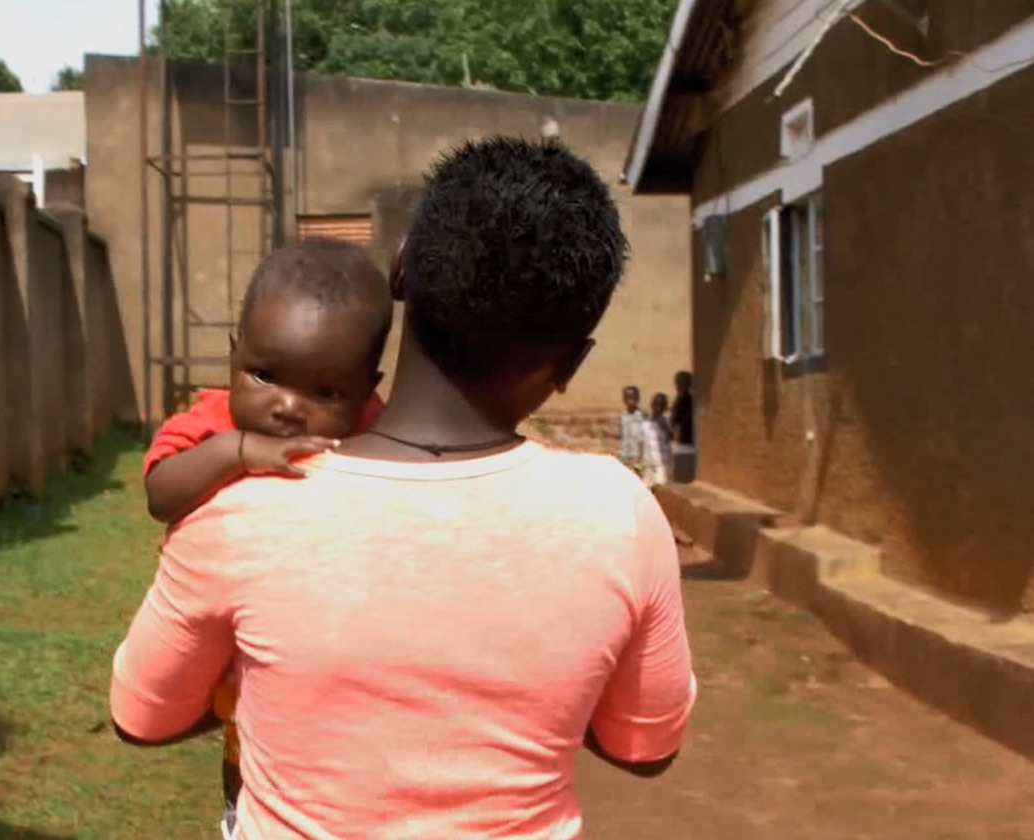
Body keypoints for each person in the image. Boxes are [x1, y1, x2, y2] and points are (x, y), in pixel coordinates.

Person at [111, 137, 696, 840]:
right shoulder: (619, 515)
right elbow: (644, 746)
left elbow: (142, 718)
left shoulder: (246, 502)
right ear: (569, 364)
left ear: (400, 268)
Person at [141, 237, 393, 838]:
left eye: (325, 392)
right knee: (246, 751)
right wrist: (236, 452)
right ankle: (241, 819)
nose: (286, 408)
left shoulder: (374, 433)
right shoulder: (214, 422)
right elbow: (160, 493)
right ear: (233, 354)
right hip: (230, 638)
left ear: (366, 391)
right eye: (264, 375)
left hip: (332, 643)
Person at [641, 393, 674, 488]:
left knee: (661, 488)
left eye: (661, 405)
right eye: (656, 405)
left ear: (665, 408)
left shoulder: (667, 423)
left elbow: (671, 437)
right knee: (648, 489)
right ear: (652, 405)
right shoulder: (645, 424)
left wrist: (665, 427)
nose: (658, 408)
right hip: (648, 464)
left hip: (662, 464)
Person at [670, 370, 696, 483]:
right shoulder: (680, 399)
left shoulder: (692, 400)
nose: (679, 386)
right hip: (682, 440)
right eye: (678, 383)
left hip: (690, 440)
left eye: (682, 383)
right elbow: (674, 420)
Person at [618, 385, 645, 472]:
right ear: (624, 400)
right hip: (625, 455)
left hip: (638, 456)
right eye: (627, 398)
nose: (630, 401)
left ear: (638, 399)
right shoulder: (623, 417)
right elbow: (621, 435)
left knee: (638, 477)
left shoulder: (642, 416)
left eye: (633, 398)